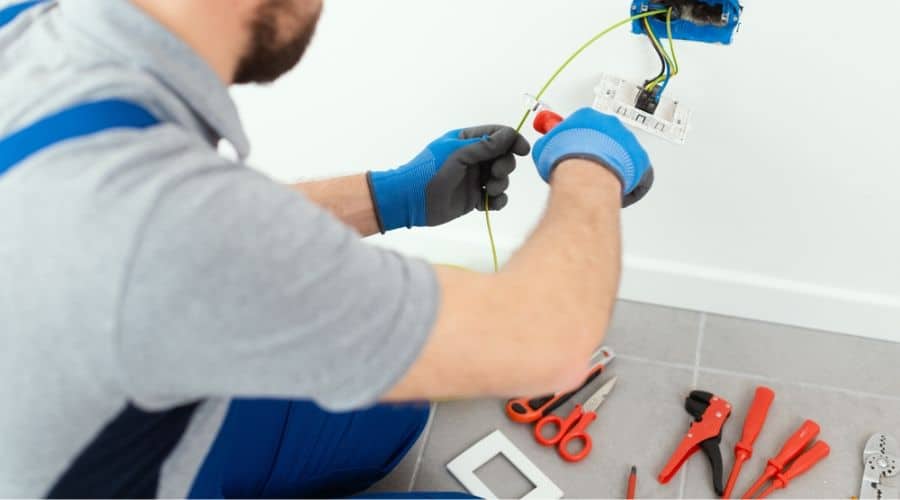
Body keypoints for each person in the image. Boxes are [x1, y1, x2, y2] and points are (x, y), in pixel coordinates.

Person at [0, 0, 654, 497]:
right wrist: (592, 167)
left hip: (89, 422)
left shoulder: (33, 31)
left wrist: (392, 196)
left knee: (393, 409)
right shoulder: (160, 222)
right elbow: (547, 342)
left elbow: (196, 238)